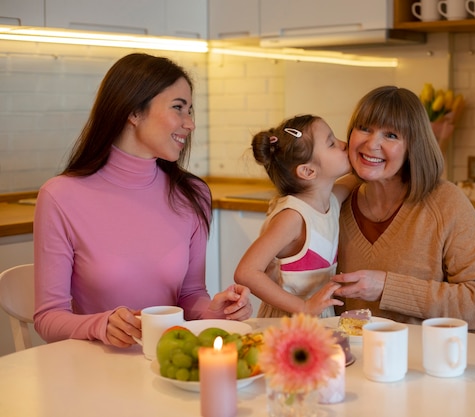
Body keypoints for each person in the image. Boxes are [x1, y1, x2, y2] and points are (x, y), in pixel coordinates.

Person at [33, 53, 253, 348]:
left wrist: (215, 311)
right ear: (134, 112)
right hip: (93, 368)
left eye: (190, 111)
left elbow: (190, 295)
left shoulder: (193, 195)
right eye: (178, 108)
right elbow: (48, 318)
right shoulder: (59, 196)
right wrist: (100, 324)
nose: (190, 124)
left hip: (167, 361)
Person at [331, 86, 475, 342]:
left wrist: (388, 287)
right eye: (364, 128)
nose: (371, 143)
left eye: (391, 135)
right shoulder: (334, 204)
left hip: (458, 357)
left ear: (413, 146)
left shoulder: (445, 202)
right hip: (374, 356)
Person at [234, 115, 355, 318]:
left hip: (319, 320)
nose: (344, 145)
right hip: (287, 322)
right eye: (332, 143)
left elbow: (361, 175)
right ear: (308, 171)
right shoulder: (292, 217)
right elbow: (246, 272)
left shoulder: (333, 200)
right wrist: (304, 307)